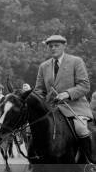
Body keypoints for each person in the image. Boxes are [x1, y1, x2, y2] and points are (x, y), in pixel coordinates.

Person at [34, 34, 93, 162]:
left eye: (56, 46)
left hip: (74, 107)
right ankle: (36, 162)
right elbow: (39, 90)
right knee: (32, 128)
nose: (53, 48)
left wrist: (67, 94)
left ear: (64, 46)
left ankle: (90, 163)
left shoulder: (76, 61)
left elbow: (84, 85)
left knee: (81, 129)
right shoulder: (43, 66)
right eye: (50, 46)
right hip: (51, 108)